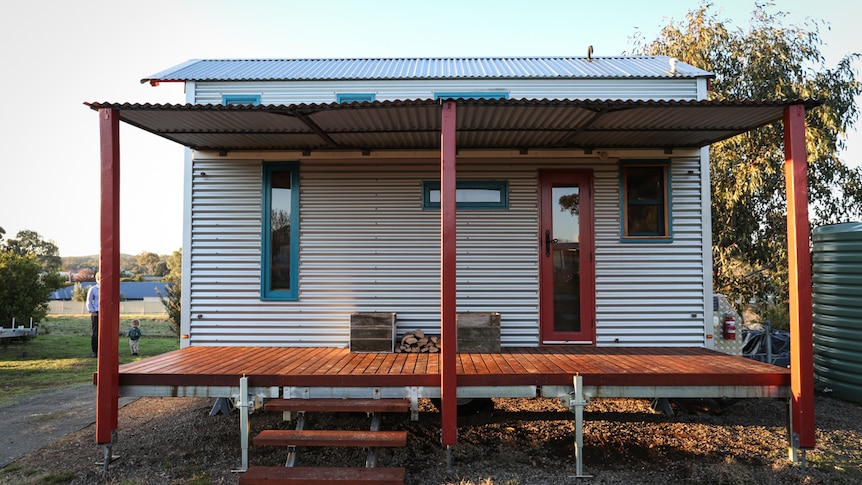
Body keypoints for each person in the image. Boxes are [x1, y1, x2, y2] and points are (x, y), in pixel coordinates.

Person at [86, 275, 100, 357]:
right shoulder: (93, 289)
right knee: (96, 332)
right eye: (99, 278)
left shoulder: (108, 288)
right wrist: (92, 311)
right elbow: (89, 300)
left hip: (106, 313)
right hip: (96, 312)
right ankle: (95, 351)